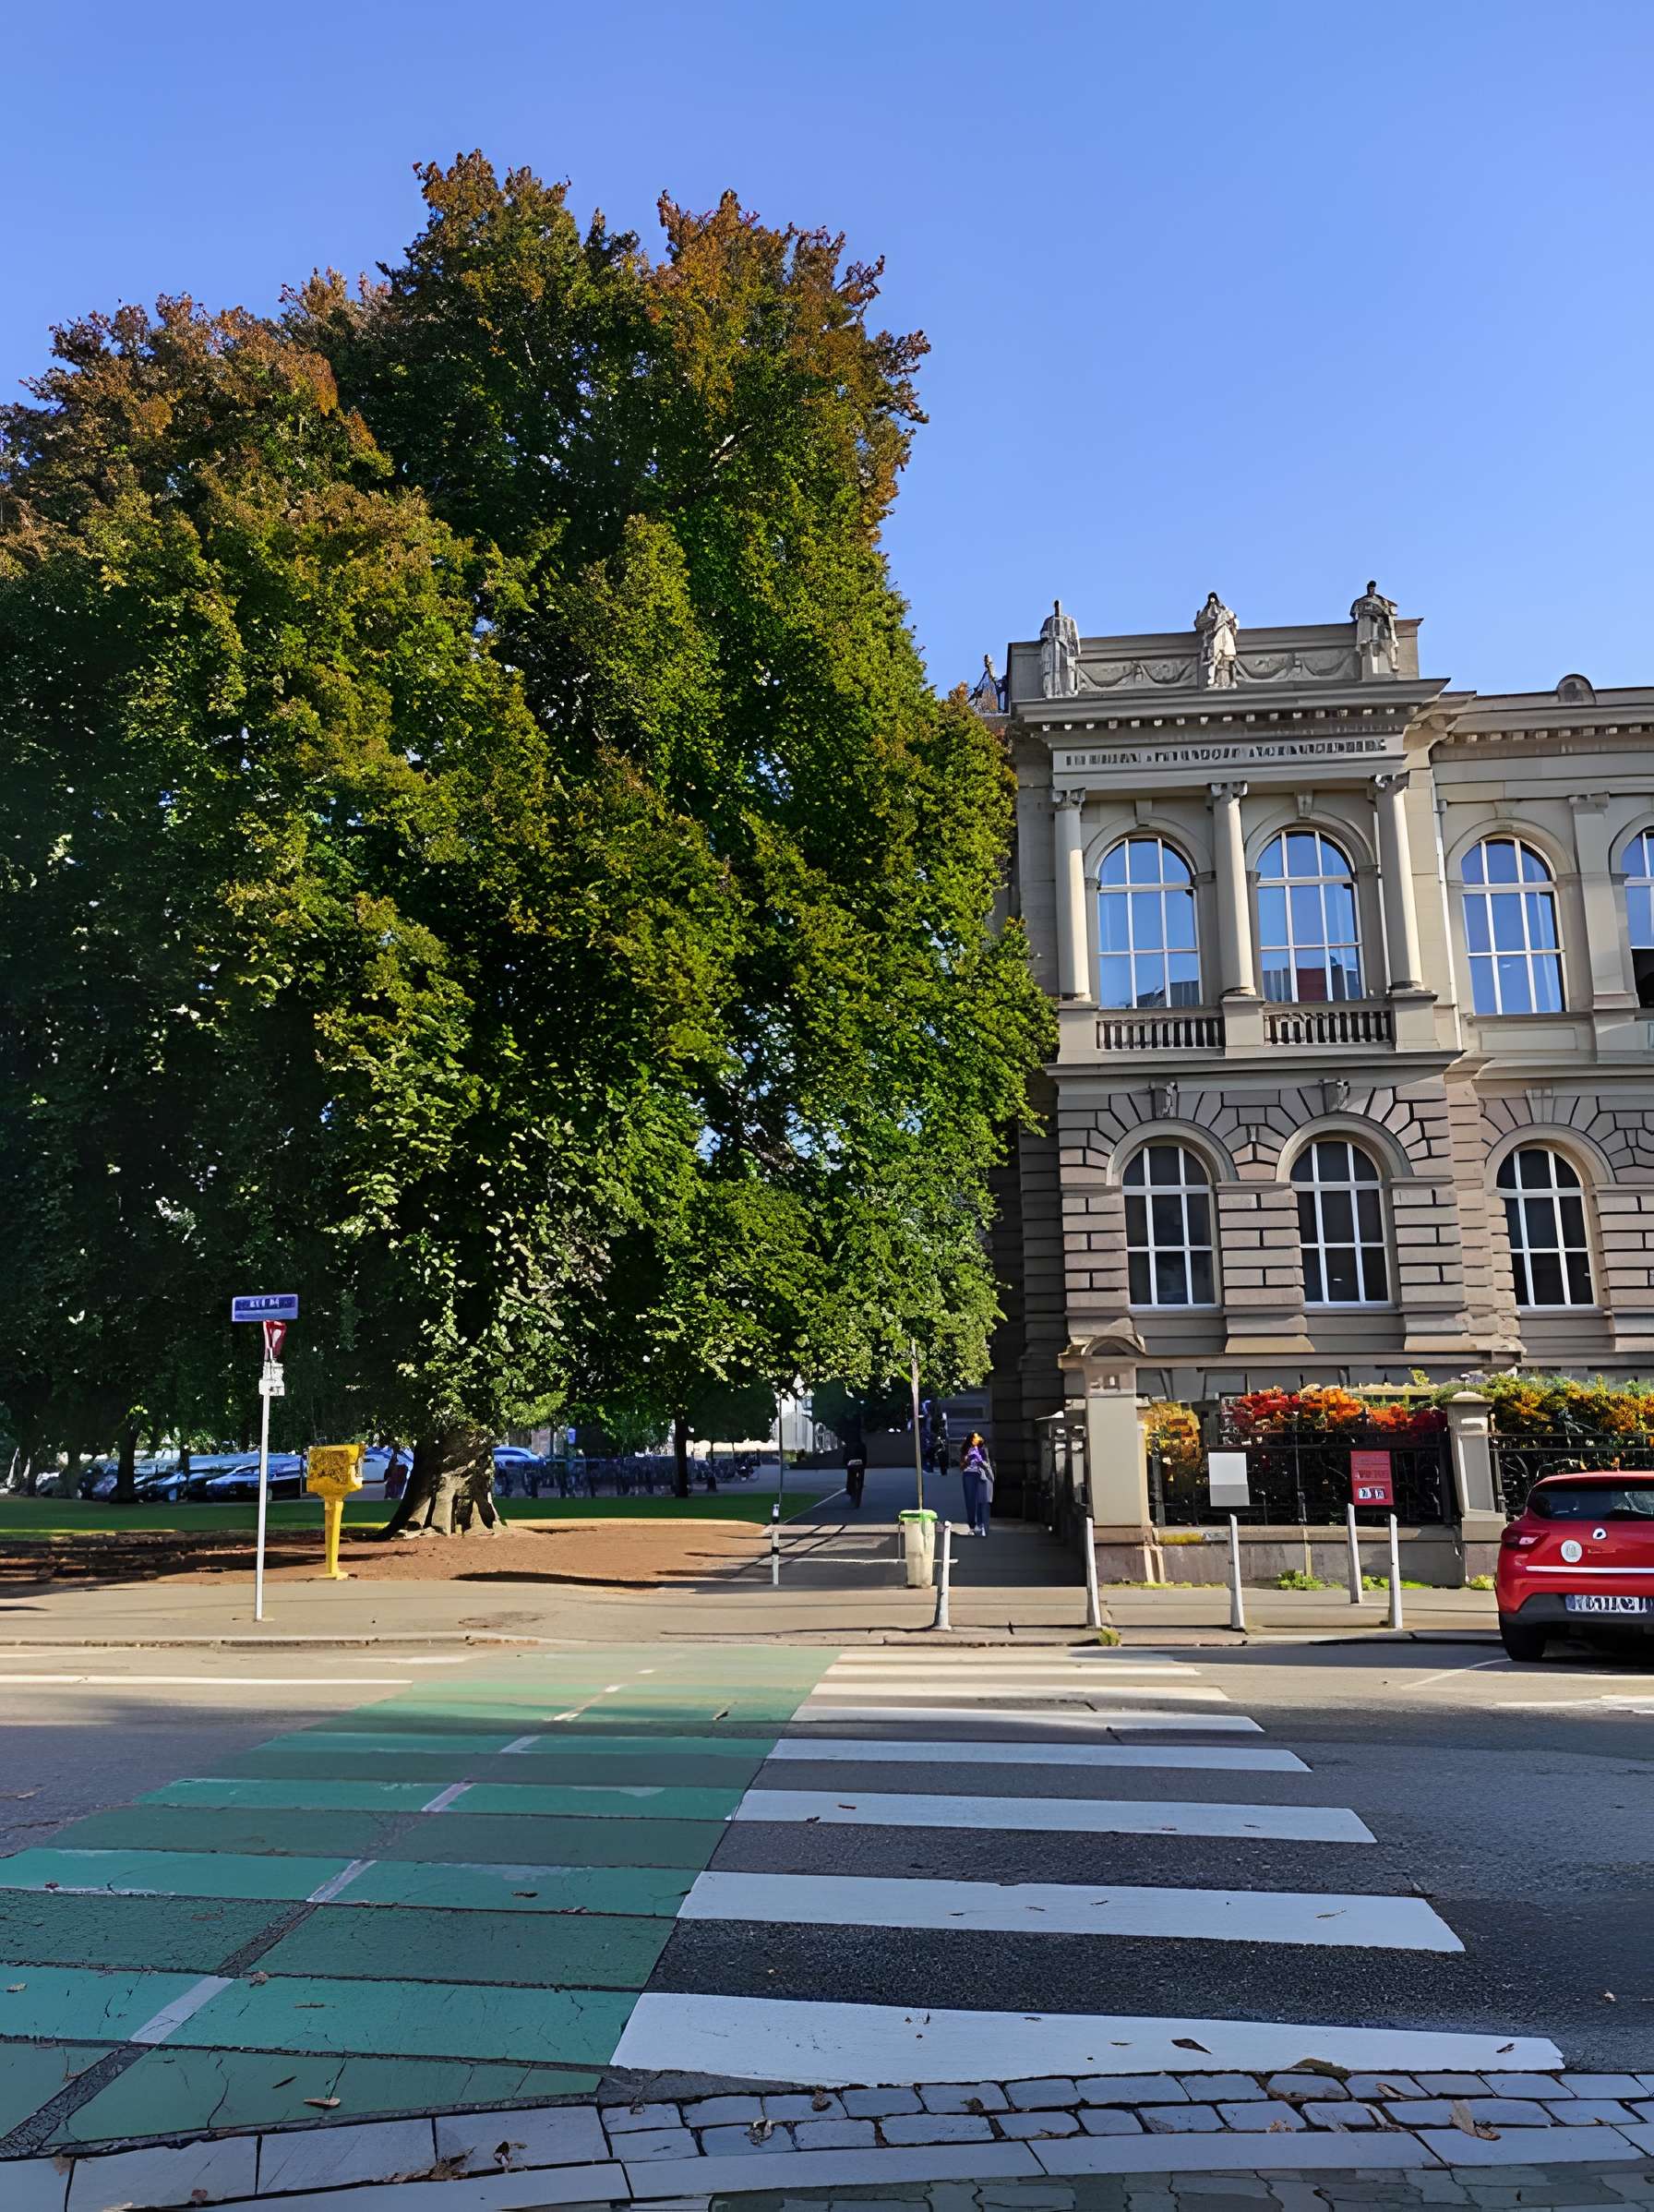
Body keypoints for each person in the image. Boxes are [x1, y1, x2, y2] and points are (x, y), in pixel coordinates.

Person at [961, 1432, 994, 1538]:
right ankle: (972, 1526)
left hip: (980, 1476)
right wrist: (969, 1459)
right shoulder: (965, 1449)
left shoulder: (983, 1450)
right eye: (974, 1438)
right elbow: (961, 1467)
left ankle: (980, 1525)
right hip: (968, 1476)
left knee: (981, 1501)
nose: (976, 1439)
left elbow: (987, 1465)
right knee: (970, 1501)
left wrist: (980, 1461)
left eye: (978, 1438)